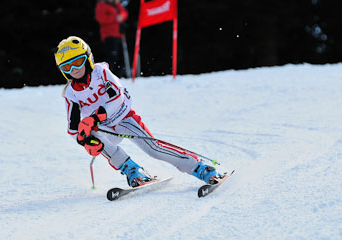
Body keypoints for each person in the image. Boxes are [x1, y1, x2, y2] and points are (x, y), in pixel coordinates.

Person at [54, 36, 223, 187]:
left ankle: (200, 167)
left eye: (77, 62)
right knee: (90, 134)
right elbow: (73, 128)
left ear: (88, 58)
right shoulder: (71, 93)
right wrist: (84, 141)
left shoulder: (101, 72)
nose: (74, 69)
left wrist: (95, 117)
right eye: (67, 66)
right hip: (104, 128)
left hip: (124, 118)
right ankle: (133, 171)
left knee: (153, 149)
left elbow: (117, 97)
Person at [95, 0, 128, 78]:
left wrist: (121, 16)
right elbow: (101, 18)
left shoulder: (116, 4)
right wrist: (116, 18)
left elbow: (124, 13)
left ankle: (120, 75)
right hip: (109, 35)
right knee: (112, 57)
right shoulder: (101, 4)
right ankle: (111, 76)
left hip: (119, 35)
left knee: (121, 57)